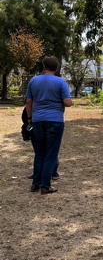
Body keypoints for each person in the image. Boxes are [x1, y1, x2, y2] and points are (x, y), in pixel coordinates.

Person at [25, 57, 72, 195]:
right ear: (56, 68)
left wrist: (29, 119)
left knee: (39, 153)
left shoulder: (33, 80)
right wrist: (68, 101)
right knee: (51, 154)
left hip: (37, 120)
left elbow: (28, 101)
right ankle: (45, 186)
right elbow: (67, 102)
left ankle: (35, 184)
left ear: (44, 66)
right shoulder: (60, 82)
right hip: (55, 121)